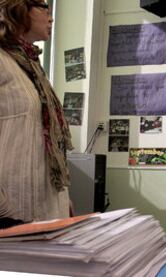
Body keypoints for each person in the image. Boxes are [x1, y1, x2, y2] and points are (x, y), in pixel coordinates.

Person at [0, 0, 73, 224]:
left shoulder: (31, 66)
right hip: (12, 209)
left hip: (47, 205)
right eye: (44, 8)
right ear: (20, 9)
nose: (51, 17)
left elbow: (46, 140)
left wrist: (63, 197)